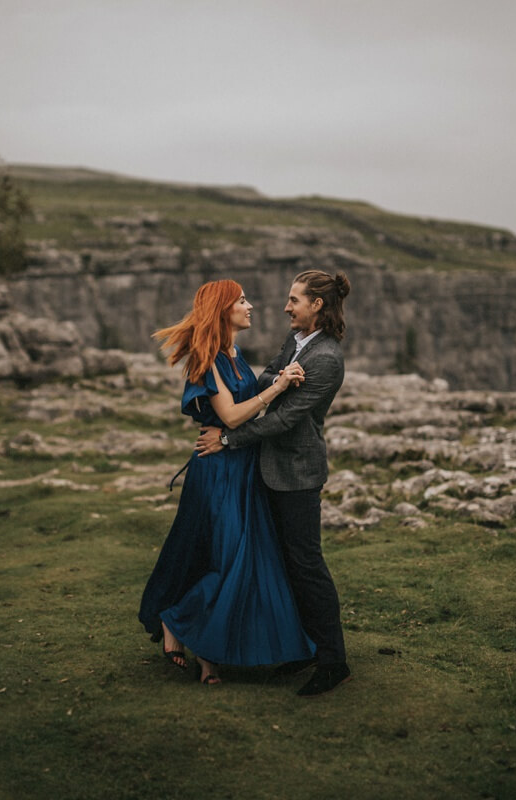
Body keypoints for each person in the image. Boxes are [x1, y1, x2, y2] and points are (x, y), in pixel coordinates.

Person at [138, 279, 315, 685]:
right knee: (226, 558)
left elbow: (240, 417)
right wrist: (279, 387)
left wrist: (279, 381)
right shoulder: (210, 360)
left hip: (241, 466)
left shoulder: (235, 355)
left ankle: (208, 656)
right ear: (223, 310)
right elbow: (233, 417)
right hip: (217, 471)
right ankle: (177, 620)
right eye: (241, 301)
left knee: (239, 559)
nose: (250, 306)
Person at [195, 269, 352, 697]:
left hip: (297, 475)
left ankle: (333, 660)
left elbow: (284, 420)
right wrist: (274, 381)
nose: (286, 307)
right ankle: (302, 647)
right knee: (281, 564)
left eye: (294, 300)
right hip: (268, 470)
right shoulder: (298, 342)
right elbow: (268, 375)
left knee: (306, 565)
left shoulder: (325, 359)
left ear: (317, 305)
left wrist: (227, 438)